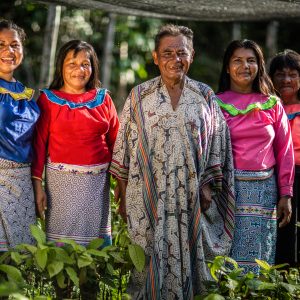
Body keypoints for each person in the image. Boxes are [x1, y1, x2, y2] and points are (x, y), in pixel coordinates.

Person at [110, 24, 235, 298]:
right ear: (155, 57)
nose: (175, 60)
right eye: (167, 53)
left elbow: (218, 144)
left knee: (193, 260)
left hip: (192, 197)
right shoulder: (138, 96)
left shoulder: (205, 96)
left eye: (182, 53)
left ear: (192, 55)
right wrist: (121, 188)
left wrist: (207, 186)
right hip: (146, 196)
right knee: (144, 263)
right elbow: (124, 148)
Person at [31, 40, 119, 248]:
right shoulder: (48, 100)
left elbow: (117, 142)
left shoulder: (103, 99)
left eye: (85, 64)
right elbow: (38, 145)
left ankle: (92, 281)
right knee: (63, 253)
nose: (79, 70)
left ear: (93, 67)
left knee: (95, 253)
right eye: (72, 64)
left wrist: (123, 185)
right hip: (60, 187)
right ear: (61, 66)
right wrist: (37, 187)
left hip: (97, 188)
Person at [217, 39, 294, 274]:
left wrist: (286, 193)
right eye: (237, 60)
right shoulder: (214, 103)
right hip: (227, 191)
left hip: (264, 193)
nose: (245, 66)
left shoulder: (272, 104)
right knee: (226, 257)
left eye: (251, 60)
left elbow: (285, 151)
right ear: (228, 67)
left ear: (259, 66)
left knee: (260, 254)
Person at [0, 19, 40, 251]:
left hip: (22, 183)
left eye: (14, 45)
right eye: (1, 45)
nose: (8, 51)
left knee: (19, 260)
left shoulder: (24, 93)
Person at [270, 49, 300, 266]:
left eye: (293, 74)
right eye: (280, 74)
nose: (286, 79)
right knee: (281, 232)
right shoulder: (266, 106)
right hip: (272, 178)